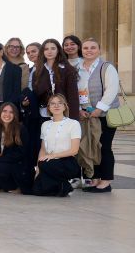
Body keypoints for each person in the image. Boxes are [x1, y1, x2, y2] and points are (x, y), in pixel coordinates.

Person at [78, 38, 120, 193]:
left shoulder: (106, 67)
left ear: (99, 50)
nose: (89, 50)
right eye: (86, 48)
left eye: (93, 47)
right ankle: (94, 178)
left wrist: (99, 109)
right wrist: (80, 110)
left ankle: (106, 180)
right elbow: (76, 92)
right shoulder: (78, 69)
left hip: (105, 115)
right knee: (90, 146)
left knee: (104, 146)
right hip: (86, 116)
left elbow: (111, 90)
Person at [33, 94, 81, 197]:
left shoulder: (73, 124)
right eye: (53, 103)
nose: (56, 106)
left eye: (60, 103)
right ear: (49, 107)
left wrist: (51, 156)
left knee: (45, 164)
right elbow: (43, 149)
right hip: (48, 163)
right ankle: (62, 186)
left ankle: (63, 185)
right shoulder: (45, 125)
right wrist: (38, 169)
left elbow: (74, 150)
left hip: (67, 162)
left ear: (65, 106)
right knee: (37, 190)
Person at [31, 38, 81, 129]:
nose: (49, 51)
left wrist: (74, 120)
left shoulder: (68, 70)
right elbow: (36, 94)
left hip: (64, 114)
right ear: (43, 52)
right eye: (46, 49)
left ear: (58, 50)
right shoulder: (37, 72)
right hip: (44, 114)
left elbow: (73, 97)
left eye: (53, 48)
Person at [0, 103, 29, 193]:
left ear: (15, 115)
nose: (7, 114)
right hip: (2, 161)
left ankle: (13, 187)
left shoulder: (20, 129)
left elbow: (20, 154)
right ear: (0, 113)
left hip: (15, 164)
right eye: (5, 111)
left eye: (11, 112)